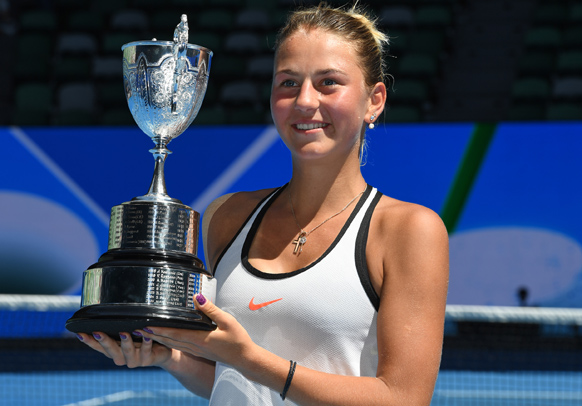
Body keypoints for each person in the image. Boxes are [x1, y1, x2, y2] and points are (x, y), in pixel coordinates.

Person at [77, 3, 449, 405]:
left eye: (328, 82)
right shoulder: (227, 217)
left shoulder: (409, 230)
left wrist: (250, 358)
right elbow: (230, 377)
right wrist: (172, 357)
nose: (305, 100)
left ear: (374, 100)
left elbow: (404, 398)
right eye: (288, 82)